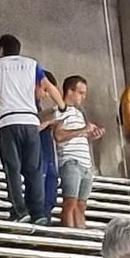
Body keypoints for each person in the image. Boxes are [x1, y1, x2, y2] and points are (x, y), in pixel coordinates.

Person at [0, 34, 61, 224]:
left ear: (1, 50)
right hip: (30, 121)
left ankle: (20, 210)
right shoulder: (32, 64)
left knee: (13, 168)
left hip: (9, 122)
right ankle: (39, 213)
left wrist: (2, 110)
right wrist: (62, 105)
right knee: (34, 169)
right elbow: (48, 87)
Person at [53, 75, 104, 228]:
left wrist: (91, 134)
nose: (83, 97)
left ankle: (81, 231)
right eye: (80, 93)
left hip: (85, 164)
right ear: (70, 91)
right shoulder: (60, 110)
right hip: (71, 162)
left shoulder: (79, 113)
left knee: (81, 204)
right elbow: (59, 135)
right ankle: (69, 234)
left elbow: (79, 135)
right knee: (70, 202)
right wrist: (83, 129)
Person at [38, 67, 61, 219]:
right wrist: (49, 121)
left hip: (48, 152)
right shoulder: (28, 106)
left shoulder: (39, 107)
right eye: (45, 90)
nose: (47, 95)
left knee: (52, 183)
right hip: (39, 154)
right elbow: (33, 128)